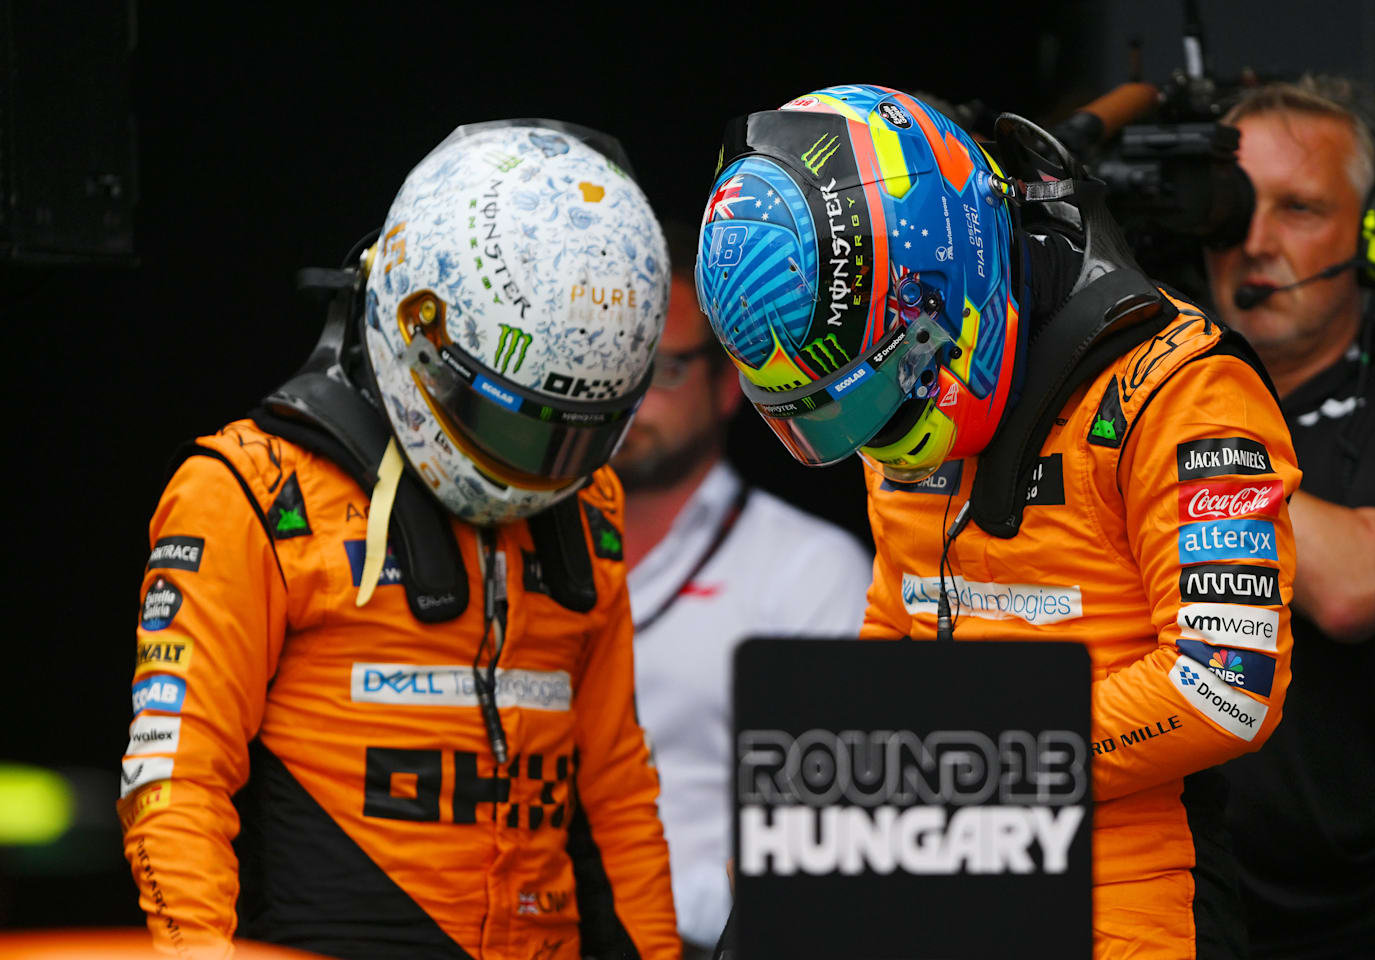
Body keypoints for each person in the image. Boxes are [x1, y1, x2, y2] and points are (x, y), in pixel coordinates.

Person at [695, 83, 1299, 958]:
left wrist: (970, 763)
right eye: (840, 414)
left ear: (947, 284)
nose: (878, 437)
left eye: (885, 393)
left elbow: (1225, 686)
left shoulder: (1184, 388)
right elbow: (901, 617)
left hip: (1128, 898)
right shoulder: (891, 370)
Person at [119, 121, 682, 960]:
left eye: (571, 434)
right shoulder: (249, 490)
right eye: (513, 419)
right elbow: (175, 778)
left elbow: (615, 787)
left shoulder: (586, 503)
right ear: (414, 326)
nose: (537, 467)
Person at [1201, 75, 1375, 959]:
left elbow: (1360, 583)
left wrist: (1179, 456)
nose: (1256, 243)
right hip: (1161, 902)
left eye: (1299, 209)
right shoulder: (1152, 379)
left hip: (1350, 926)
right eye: (1234, 209)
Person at [610, 220, 874, 957]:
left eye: (663, 370)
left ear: (729, 386)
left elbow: (832, 837)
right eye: (619, 368)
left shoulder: (810, 570)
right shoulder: (530, 550)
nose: (634, 400)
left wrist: (640, 904)